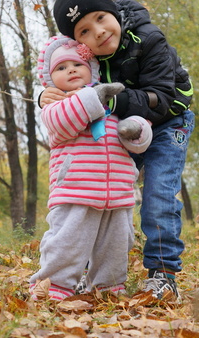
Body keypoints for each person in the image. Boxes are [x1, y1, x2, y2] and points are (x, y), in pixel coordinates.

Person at [43, 0, 195, 301]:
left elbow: (163, 98)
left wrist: (110, 103)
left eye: (101, 18)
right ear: (78, 44)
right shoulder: (88, 61)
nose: (97, 32)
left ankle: (163, 275)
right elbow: (56, 74)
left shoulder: (149, 39)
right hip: (123, 127)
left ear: (112, 12)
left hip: (169, 121)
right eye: (84, 31)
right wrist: (42, 95)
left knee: (158, 193)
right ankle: (96, 273)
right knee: (109, 194)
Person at [29, 35, 152, 301]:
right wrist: (91, 97)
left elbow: (136, 142)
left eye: (77, 64)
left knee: (116, 245)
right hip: (76, 190)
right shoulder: (54, 106)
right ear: (50, 80)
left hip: (118, 192)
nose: (70, 70)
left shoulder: (112, 104)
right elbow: (64, 123)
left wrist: (136, 130)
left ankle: (108, 287)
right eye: (61, 68)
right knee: (67, 243)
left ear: (92, 69)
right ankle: (52, 287)